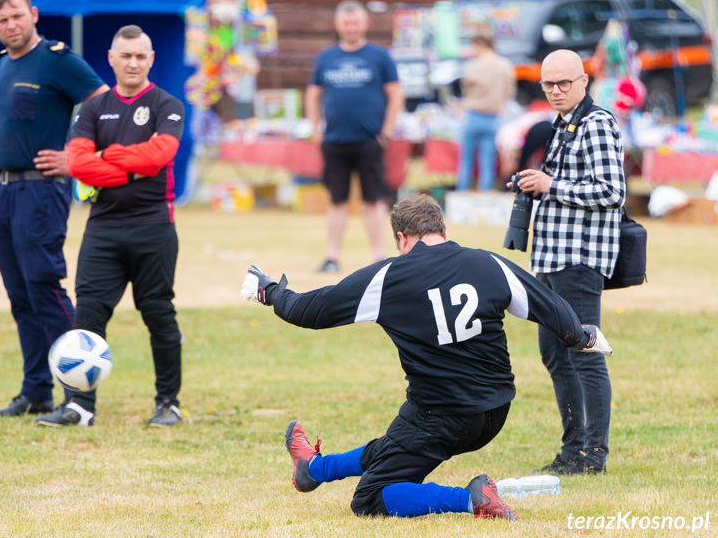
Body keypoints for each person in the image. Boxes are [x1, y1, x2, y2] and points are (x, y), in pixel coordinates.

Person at [240, 193, 612, 520]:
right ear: (442, 228)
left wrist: (270, 291)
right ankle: (313, 469)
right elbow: (553, 310)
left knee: (370, 498)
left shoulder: (389, 276)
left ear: (402, 238)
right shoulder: (488, 264)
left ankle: (469, 499)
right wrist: (582, 337)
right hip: (496, 410)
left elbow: (310, 311)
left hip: (440, 417)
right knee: (396, 444)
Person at [37, 25, 185, 428]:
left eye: (141, 56)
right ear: (111, 58)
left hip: (154, 225)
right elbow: (78, 163)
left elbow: (161, 153)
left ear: (151, 59)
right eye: (126, 55)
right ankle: (80, 406)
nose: (133, 62)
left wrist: (109, 156)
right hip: (102, 228)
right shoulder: (91, 109)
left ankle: (167, 403)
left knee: (158, 314)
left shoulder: (167, 105)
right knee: (88, 314)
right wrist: (131, 168)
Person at [0, 0, 109, 419]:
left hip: (39, 192)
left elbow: (103, 104)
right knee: (20, 295)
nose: (11, 25)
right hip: (2, 192)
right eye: (2, 19)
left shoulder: (56, 60)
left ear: (33, 14)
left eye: (17, 16)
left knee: (45, 290)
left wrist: (74, 157)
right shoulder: (1, 63)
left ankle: (77, 397)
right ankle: (35, 391)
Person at [514, 49, 626, 475]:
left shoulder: (597, 123)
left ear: (584, 81)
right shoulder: (562, 124)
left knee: (584, 354)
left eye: (564, 83)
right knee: (553, 352)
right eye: (548, 84)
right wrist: (532, 185)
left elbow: (611, 191)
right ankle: (572, 448)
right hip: (551, 256)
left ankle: (592, 454)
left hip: (579, 258)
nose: (556, 91)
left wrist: (551, 184)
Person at [305, 0, 403, 273]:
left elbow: (395, 94)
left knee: (373, 199)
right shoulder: (325, 57)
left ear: (365, 24)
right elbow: (313, 95)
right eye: (347, 22)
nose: (352, 27)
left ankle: (380, 257)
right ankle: (332, 257)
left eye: (357, 22)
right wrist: (315, 130)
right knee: (337, 200)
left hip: (370, 140)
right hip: (335, 140)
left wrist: (386, 131)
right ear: (338, 24)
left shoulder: (379, 56)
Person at [455, 33, 515, 191]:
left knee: (466, 159)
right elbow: (510, 91)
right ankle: (485, 194)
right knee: (487, 161)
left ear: (480, 45)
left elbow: (465, 89)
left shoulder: (473, 65)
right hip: (494, 117)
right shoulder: (505, 65)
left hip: (473, 115)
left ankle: (461, 193)